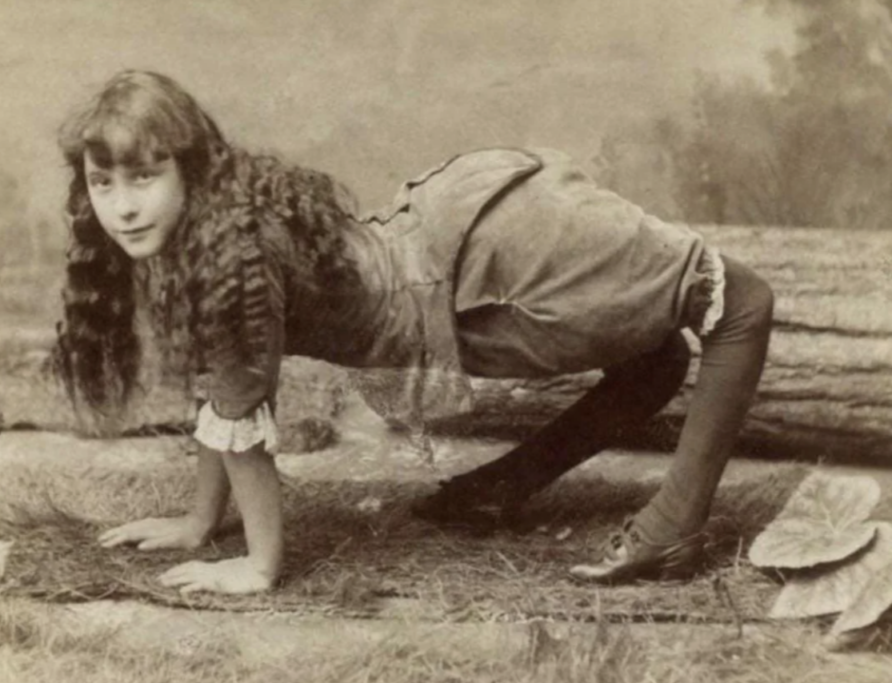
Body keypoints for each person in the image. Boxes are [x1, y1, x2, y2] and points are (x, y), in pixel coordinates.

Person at [53, 70, 773, 595]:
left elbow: (243, 411)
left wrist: (259, 564)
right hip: (452, 266)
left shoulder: (232, 252)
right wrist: (198, 519)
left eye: (144, 178)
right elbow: (229, 388)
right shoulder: (198, 237)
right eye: (103, 183)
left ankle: (676, 518)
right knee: (654, 357)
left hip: (498, 259)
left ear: (191, 170)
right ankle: (505, 486)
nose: (122, 207)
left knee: (735, 301)